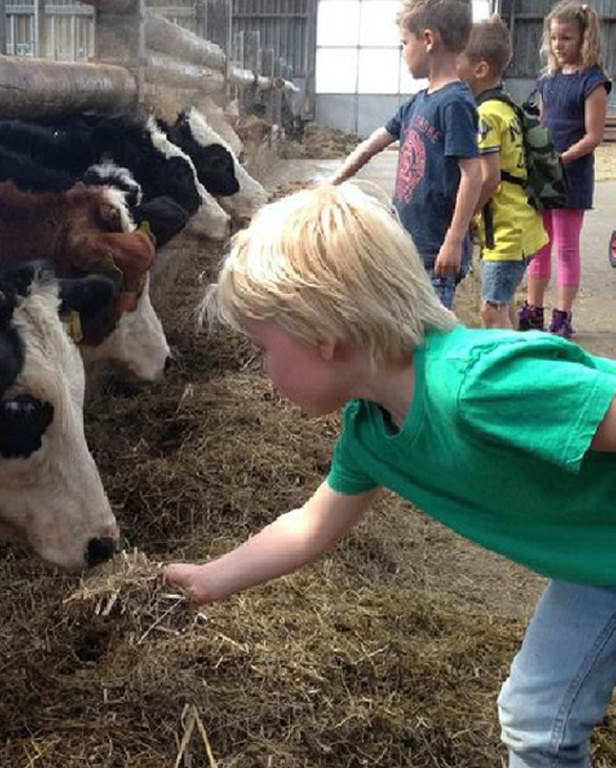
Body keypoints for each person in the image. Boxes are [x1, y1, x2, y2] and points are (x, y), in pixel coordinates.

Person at [164, 183, 616, 768]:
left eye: (262, 348)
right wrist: (206, 580)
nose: (262, 371)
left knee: (537, 719)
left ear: (323, 338)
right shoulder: (370, 434)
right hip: (593, 565)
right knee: (535, 719)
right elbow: (308, 527)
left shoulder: (477, 386)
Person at [332, 0, 482, 309]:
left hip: (435, 252)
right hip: (408, 247)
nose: (402, 53)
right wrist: (329, 185)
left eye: (404, 43)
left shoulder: (455, 103)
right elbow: (371, 145)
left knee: (428, 331)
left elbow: (473, 175)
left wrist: (454, 240)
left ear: (428, 40)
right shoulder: (417, 103)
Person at [518, 1, 611, 337]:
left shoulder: (593, 82)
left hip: (572, 177)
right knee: (538, 243)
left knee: (567, 248)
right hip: (544, 175)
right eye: (555, 38)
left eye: (567, 38)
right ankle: (533, 309)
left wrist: (562, 159)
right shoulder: (548, 79)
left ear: (584, 38)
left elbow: (593, 136)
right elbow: (543, 123)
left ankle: (562, 316)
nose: (559, 44)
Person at [457, 16, 548, 329]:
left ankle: (510, 359)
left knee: (491, 311)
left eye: (458, 59)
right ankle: (518, 352)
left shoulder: (485, 114)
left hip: (506, 232)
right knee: (504, 304)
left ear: (480, 69)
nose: (453, 65)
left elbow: (489, 179)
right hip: (522, 224)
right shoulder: (507, 105)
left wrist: (465, 217)